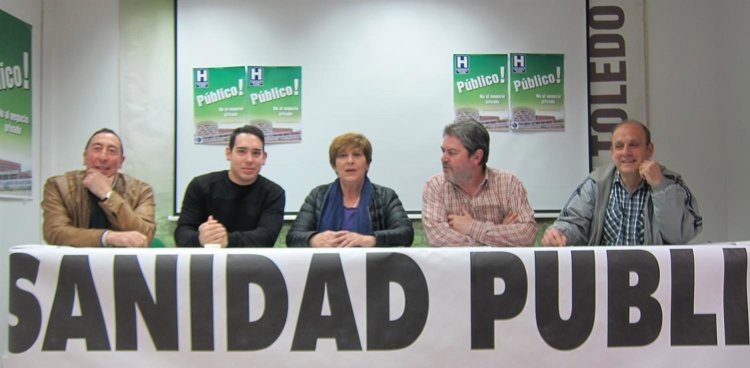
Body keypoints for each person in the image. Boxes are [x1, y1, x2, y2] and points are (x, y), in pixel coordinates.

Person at [541, 119, 702, 246]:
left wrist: (660, 187)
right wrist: (560, 234)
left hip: (656, 273)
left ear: (649, 150)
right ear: (612, 153)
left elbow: (679, 236)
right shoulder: (596, 183)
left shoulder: (671, 183)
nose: (626, 152)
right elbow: (574, 223)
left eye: (634, 145)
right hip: (604, 272)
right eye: (619, 146)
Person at [422, 119, 537, 247]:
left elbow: (527, 234)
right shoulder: (435, 186)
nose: (443, 158)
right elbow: (438, 239)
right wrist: (499, 235)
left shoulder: (508, 183)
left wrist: (472, 227)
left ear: (477, 157)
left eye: (452, 153)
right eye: (443, 151)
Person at [286, 132, 413, 247]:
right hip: (326, 264)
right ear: (334, 165)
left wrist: (369, 240)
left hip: (373, 265)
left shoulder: (385, 196)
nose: (350, 161)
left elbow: (406, 234)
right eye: (342, 156)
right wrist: (313, 240)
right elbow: (293, 237)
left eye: (357, 155)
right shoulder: (318, 195)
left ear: (367, 164)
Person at [175, 125, 285, 247]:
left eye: (256, 153)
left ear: (264, 158)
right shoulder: (200, 186)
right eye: (241, 151)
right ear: (228, 153)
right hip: (207, 258)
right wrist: (200, 238)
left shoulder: (274, 193)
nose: (249, 159)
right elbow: (181, 234)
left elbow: (267, 237)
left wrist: (227, 240)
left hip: (252, 259)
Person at [42, 128, 155, 247]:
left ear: (121, 161)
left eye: (112, 151)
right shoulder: (58, 186)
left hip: (122, 258)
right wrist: (106, 237)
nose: (103, 157)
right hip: (76, 258)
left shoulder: (141, 190)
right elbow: (54, 232)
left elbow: (144, 235)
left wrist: (107, 194)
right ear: (85, 157)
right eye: (97, 149)